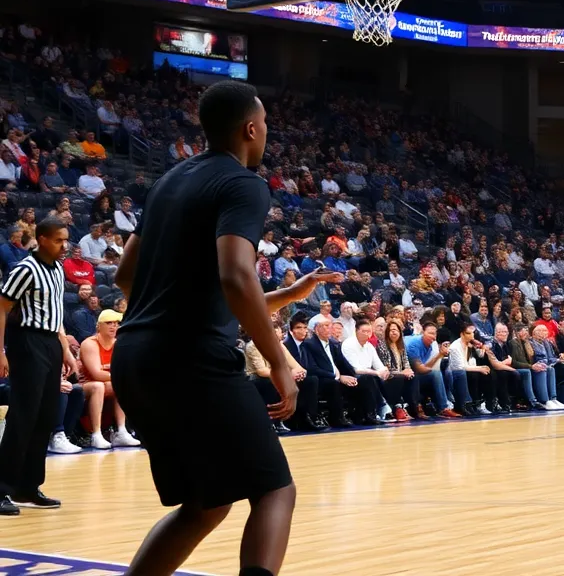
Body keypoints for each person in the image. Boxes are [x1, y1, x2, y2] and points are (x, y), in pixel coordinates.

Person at [110, 80, 341, 575]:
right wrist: (279, 359)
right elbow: (236, 275)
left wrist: (282, 296)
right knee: (275, 489)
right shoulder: (244, 183)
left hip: (135, 358)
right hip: (189, 360)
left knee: (205, 503)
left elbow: (126, 276)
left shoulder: (168, 181)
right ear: (251, 128)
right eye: (266, 128)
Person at [0, 217, 72, 516]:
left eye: (65, 239)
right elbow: (2, 309)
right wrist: (1, 352)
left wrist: (66, 349)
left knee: (45, 416)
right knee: (23, 416)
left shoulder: (57, 269)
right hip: (27, 342)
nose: (64, 245)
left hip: (51, 343)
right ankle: (2, 487)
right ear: (41, 239)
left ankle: (28, 487)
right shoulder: (24, 269)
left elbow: (55, 312)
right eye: (58, 240)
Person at [78, 309, 141, 449]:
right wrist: (121, 376)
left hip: (109, 384)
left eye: (117, 323)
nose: (114, 326)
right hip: (86, 385)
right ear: (99, 326)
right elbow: (96, 374)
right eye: (109, 323)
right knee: (99, 386)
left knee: (122, 384)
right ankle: (96, 434)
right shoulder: (90, 343)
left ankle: (121, 432)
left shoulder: (118, 343)